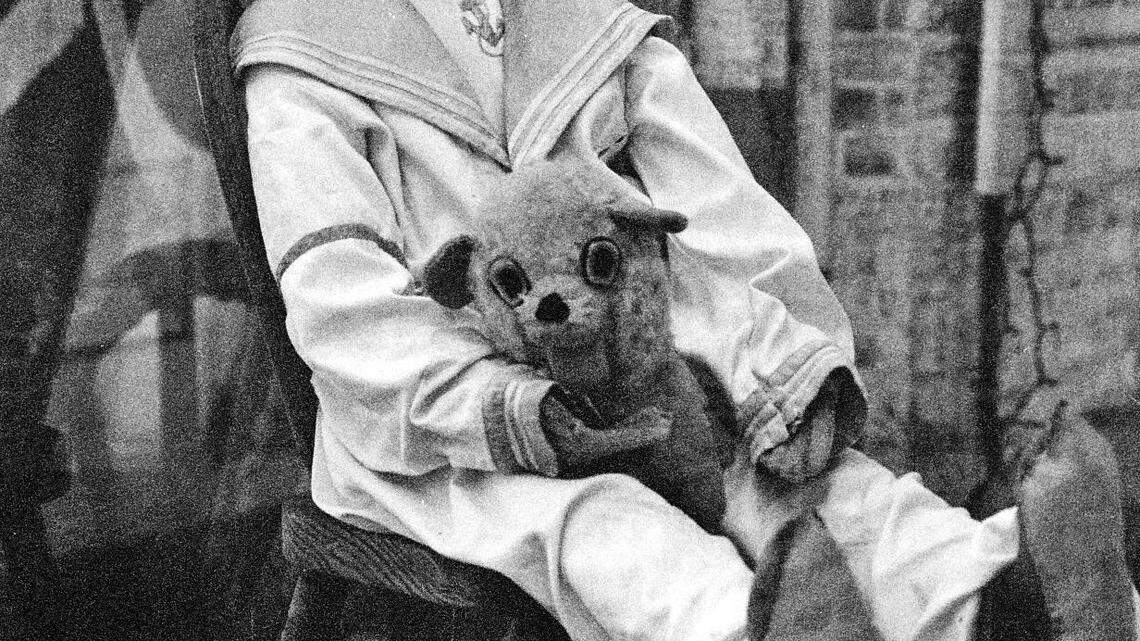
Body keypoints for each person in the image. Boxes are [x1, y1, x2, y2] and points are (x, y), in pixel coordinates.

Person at [233, 0, 1139, 639]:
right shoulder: (304, 60)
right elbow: (343, 310)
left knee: (817, 490)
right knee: (616, 532)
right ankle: (759, 630)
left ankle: (1008, 602)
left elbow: (728, 220)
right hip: (446, 430)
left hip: (652, 374)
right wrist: (517, 412)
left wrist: (785, 363)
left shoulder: (589, 28)